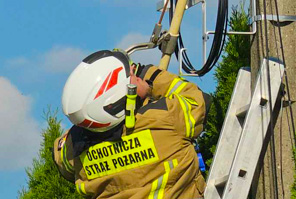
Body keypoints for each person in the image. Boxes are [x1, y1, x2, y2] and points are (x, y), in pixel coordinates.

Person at [52, 49, 211, 198]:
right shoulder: (165, 118)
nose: (136, 73)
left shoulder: (75, 146)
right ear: (118, 101)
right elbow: (197, 99)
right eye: (131, 75)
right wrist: (150, 73)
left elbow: (61, 158)